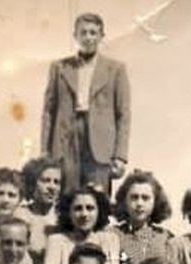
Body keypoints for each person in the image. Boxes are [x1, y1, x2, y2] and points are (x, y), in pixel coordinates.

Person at [42, 13, 130, 195]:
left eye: (93, 33)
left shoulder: (115, 69)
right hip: (66, 138)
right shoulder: (60, 67)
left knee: (97, 197)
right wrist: (45, 151)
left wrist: (120, 155)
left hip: (100, 143)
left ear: (101, 36)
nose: (88, 38)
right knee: (66, 195)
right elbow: (49, 111)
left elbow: (123, 115)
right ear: (75, 35)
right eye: (83, 33)